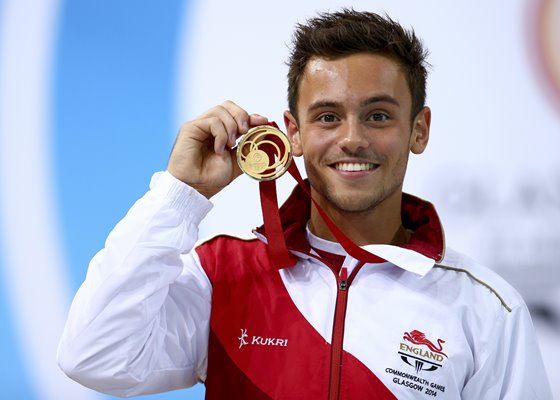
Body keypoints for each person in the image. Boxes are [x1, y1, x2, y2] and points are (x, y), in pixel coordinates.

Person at [57, 9, 553, 400]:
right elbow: (93, 356)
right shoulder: (222, 277)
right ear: (291, 133)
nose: (352, 139)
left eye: (378, 115)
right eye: (327, 117)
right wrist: (180, 195)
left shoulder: (485, 309)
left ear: (418, 130)